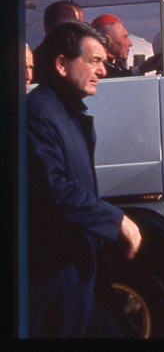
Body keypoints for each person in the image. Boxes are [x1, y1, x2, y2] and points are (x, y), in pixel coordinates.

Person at [26, 20, 143, 338]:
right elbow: (56, 190)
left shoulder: (65, 113)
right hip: (57, 286)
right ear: (62, 64)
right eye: (94, 61)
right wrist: (117, 221)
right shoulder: (38, 114)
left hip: (82, 280)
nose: (103, 72)